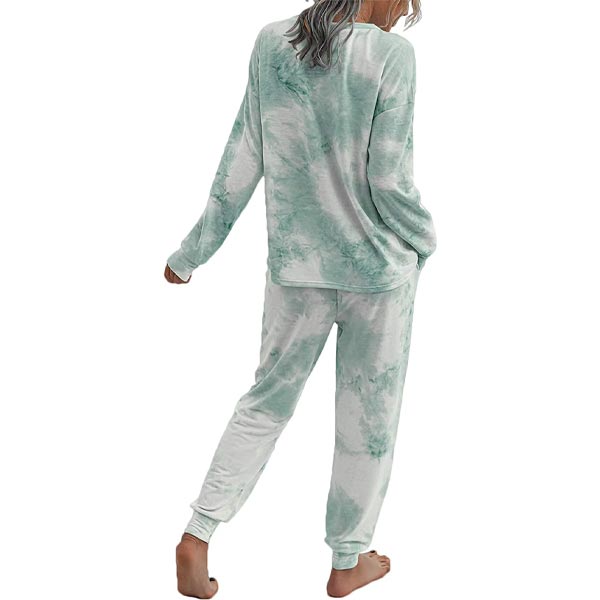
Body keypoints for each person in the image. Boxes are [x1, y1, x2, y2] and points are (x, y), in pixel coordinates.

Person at [165, 1, 436, 597]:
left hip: (297, 268)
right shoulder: (391, 56)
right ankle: (346, 561)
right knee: (367, 422)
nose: (403, 16)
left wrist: (191, 254)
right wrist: (423, 240)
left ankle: (199, 532)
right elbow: (388, 178)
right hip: (378, 272)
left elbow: (244, 155)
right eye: (407, 3)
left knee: (265, 402)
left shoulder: (272, 42)